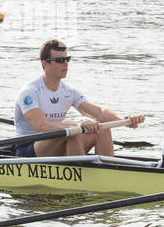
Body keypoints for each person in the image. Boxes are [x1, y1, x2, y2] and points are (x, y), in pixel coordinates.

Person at [13, 39, 144, 157]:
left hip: (58, 140)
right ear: (44, 64)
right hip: (28, 149)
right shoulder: (29, 92)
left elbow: (100, 112)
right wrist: (76, 127)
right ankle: (79, 175)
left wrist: (125, 120)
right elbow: (42, 126)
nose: (65, 64)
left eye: (67, 59)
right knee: (72, 130)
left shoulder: (68, 92)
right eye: (59, 60)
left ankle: (107, 173)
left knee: (101, 128)